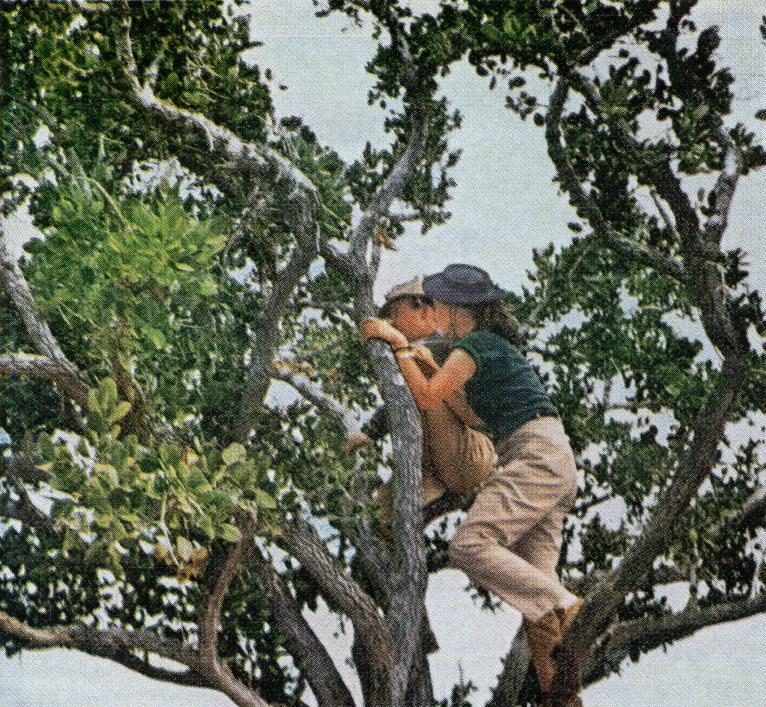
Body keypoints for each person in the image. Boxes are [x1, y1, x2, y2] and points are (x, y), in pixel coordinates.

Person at [361, 264, 583, 705]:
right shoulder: (487, 347)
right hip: (551, 458)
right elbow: (467, 414)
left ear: (456, 309)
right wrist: (422, 359)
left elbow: (425, 398)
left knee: (470, 547)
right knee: (536, 591)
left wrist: (399, 345)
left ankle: (574, 608)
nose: (434, 312)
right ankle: (560, 696)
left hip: (534, 455)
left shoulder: (474, 345)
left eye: (437, 303)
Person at [353, 276, 495, 534]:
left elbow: (427, 393)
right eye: (415, 304)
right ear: (393, 318)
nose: (426, 310)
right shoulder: (409, 351)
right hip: (437, 466)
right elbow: (402, 400)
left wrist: (398, 343)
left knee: (419, 365)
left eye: (429, 304)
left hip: (469, 451)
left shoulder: (442, 345)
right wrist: (369, 433)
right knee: (373, 521)